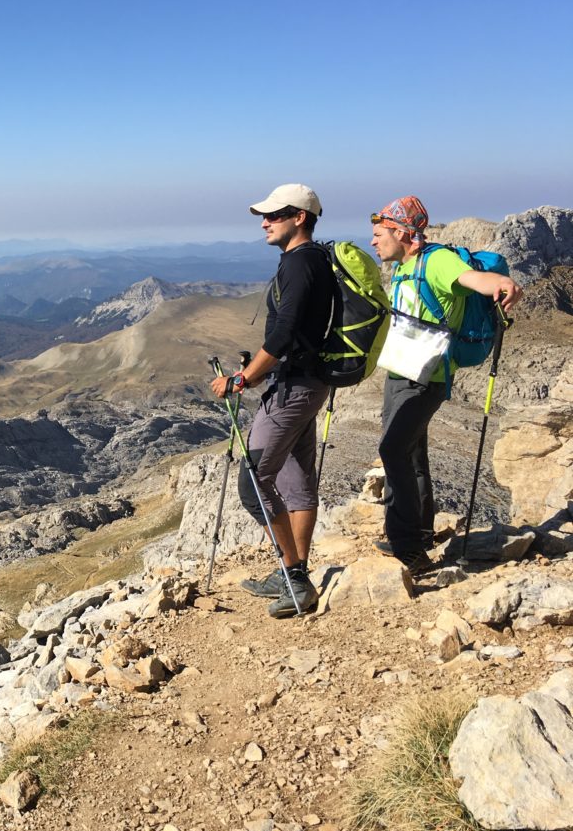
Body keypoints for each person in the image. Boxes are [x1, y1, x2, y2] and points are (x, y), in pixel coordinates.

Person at [369, 196, 522, 570]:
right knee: (411, 453)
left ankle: (408, 548)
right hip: (400, 373)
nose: (373, 242)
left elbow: (471, 279)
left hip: (426, 378)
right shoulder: (406, 266)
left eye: (378, 234)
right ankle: (419, 533)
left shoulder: (436, 261)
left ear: (402, 232)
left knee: (392, 451)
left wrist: (500, 282)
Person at [211, 183, 335, 618]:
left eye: (275, 215)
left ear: (300, 217)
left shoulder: (301, 264)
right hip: (308, 382)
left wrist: (242, 377)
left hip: (294, 387)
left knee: (253, 480)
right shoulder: (312, 260)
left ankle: (295, 579)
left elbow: (284, 335)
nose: (265, 222)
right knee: (297, 479)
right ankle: (293, 572)